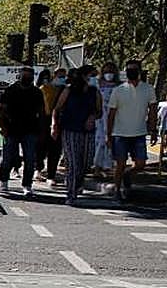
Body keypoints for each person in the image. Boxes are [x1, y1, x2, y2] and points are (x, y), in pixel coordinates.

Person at [106, 58, 156, 203]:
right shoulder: (118, 90)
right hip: (120, 133)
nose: (131, 72)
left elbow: (152, 110)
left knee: (140, 163)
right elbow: (111, 115)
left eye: (134, 69)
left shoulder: (148, 89)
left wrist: (153, 130)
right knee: (120, 163)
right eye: (128, 70)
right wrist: (108, 136)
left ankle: (127, 175)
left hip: (139, 133)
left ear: (140, 71)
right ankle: (116, 190)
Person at [52, 66, 102, 205]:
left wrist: (93, 116)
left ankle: (78, 182)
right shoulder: (69, 90)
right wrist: (55, 126)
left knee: (86, 162)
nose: (94, 79)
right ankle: (71, 194)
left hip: (88, 132)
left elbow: (99, 111)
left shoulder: (94, 92)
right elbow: (57, 109)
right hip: (70, 130)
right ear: (84, 76)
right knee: (73, 162)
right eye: (92, 75)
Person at [0, 64, 42, 197]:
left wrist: (41, 130)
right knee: (8, 158)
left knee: (30, 158)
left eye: (29, 75)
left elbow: (41, 112)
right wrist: (2, 126)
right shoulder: (11, 90)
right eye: (24, 75)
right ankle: (4, 181)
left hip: (30, 129)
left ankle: (27, 185)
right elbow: (2, 110)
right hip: (11, 129)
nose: (27, 78)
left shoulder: (36, 92)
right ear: (20, 75)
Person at [37, 67, 67, 184]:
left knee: (55, 149)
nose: (62, 78)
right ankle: (38, 168)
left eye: (64, 76)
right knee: (41, 146)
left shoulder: (66, 90)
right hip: (45, 121)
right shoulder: (44, 89)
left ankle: (51, 175)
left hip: (60, 122)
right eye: (60, 76)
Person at [92, 60, 119, 176]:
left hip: (114, 118)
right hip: (100, 118)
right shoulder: (97, 84)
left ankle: (107, 166)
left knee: (111, 142)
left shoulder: (119, 86)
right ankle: (97, 167)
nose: (109, 74)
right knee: (100, 142)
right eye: (107, 71)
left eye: (111, 71)